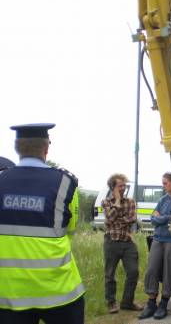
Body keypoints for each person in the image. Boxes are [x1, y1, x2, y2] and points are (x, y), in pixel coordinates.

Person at [0, 123, 85, 324]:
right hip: (60, 291)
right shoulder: (66, 183)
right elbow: (70, 229)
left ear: (16, 148)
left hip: (8, 294)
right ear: (47, 148)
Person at [139, 172, 171, 320]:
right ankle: (151, 302)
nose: (163, 185)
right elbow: (153, 219)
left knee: (169, 269)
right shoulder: (162, 200)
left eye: (165, 183)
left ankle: (164, 302)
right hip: (159, 238)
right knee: (152, 269)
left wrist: (162, 218)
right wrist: (166, 218)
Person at [102, 173, 142, 314]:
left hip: (127, 241)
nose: (123, 188)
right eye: (120, 186)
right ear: (113, 187)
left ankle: (127, 302)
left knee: (133, 272)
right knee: (110, 274)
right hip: (111, 241)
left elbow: (132, 219)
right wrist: (117, 203)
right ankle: (111, 303)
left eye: (124, 186)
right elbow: (109, 219)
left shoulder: (131, 202)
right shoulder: (106, 202)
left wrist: (116, 219)